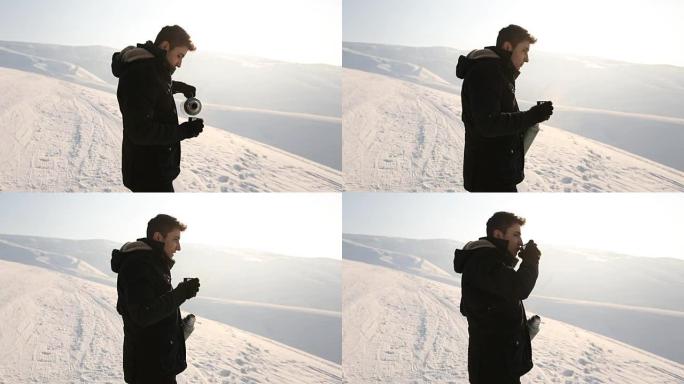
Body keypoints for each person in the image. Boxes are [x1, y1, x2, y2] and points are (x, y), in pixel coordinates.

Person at [456, 25, 554, 192]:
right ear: (508, 47)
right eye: (524, 50)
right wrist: (532, 116)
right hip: (488, 178)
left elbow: (499, 121)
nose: (527, 58)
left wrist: (530, 121)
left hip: (497, 173)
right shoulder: (486, 72)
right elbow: (489, 124)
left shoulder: (499, 72)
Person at [111, 25, 204, 192]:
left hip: (154, 168)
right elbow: (141, 131)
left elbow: (153, 89)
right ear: (166, 46)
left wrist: (178, 87)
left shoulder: (151, 68)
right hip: (148, 174)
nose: (180, 64)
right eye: (179, 56)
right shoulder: (141, 72)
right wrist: (184, 131)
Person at [453, 211, 542, 384]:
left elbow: (490, 311)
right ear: (498, 234)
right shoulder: (483, 261)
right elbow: (520, 288)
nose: (521, 242)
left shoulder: (490, 262)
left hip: (499, 366)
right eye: (515, 235)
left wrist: (522, 332)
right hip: (493, 371)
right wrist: (531, 260)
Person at [111, 214, 201, 384]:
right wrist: (182, 293)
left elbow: (155, 312)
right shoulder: (138, 265)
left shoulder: (154, 264)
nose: (179, 247)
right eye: (175, 239)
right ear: (159, 237)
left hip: (159, 366)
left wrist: (177, 329)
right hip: (148, 372)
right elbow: (143, 314)